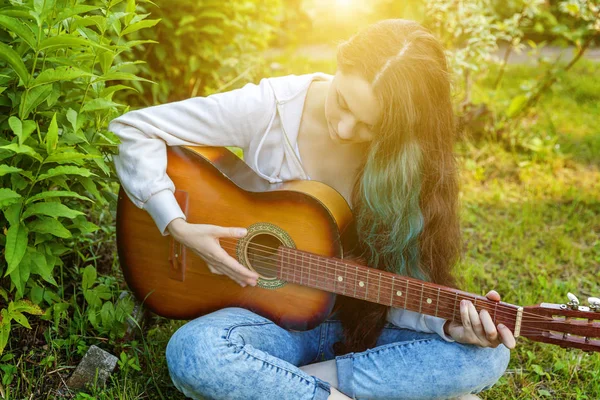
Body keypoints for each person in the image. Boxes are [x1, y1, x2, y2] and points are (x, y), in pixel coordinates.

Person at [108, 19, 515, 400]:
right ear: (340, 61)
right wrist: (178, 225)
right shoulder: (271, 107)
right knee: (195, 351)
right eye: (343, 103)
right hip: (264, 318)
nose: (344, 130)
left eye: (369, 125)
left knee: (487, 355)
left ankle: (294, 383)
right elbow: (134, 128)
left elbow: (397, 287)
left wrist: (448, 323)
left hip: (360, 323)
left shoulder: (410, 162)